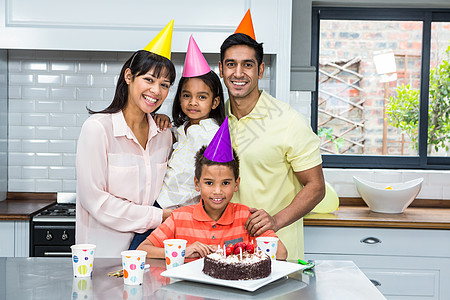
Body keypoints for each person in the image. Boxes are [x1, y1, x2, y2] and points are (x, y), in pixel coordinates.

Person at [218, 10, 325, 260]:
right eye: (231, 64)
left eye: (248, 65)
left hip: (277, 254)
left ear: (261, 70)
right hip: (227, 251)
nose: (238, 73)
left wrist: (274, 220)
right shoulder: (215, 120)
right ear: (221, 69)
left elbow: (316, 187)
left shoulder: (289, 122)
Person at [76, 21, 177, 257]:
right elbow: (95, 200)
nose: (156, 91)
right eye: (149, 80)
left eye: (164, 85)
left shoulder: (164, 135)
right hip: (104, 257)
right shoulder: (98, 129)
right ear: (129, 76)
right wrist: (157, 216)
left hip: (151, 254)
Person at [137, 117, 288, 260]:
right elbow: (142, 250)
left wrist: (238, 252)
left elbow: (281, 253)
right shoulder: (180, 217)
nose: (217, 191)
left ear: (236, 184)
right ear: (197, 184)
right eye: (209, 183)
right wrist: (183, 251)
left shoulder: (246, 217)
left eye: (225, 183)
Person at [128, 35, 225, 249]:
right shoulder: (181, 129)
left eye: (202, 97)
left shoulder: (212, 133)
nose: (192, 102)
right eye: (186, 95)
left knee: (149, 254)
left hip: (186, 211)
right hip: (161, 207)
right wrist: (159, 118)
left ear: (215, 101)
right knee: (146, 256)